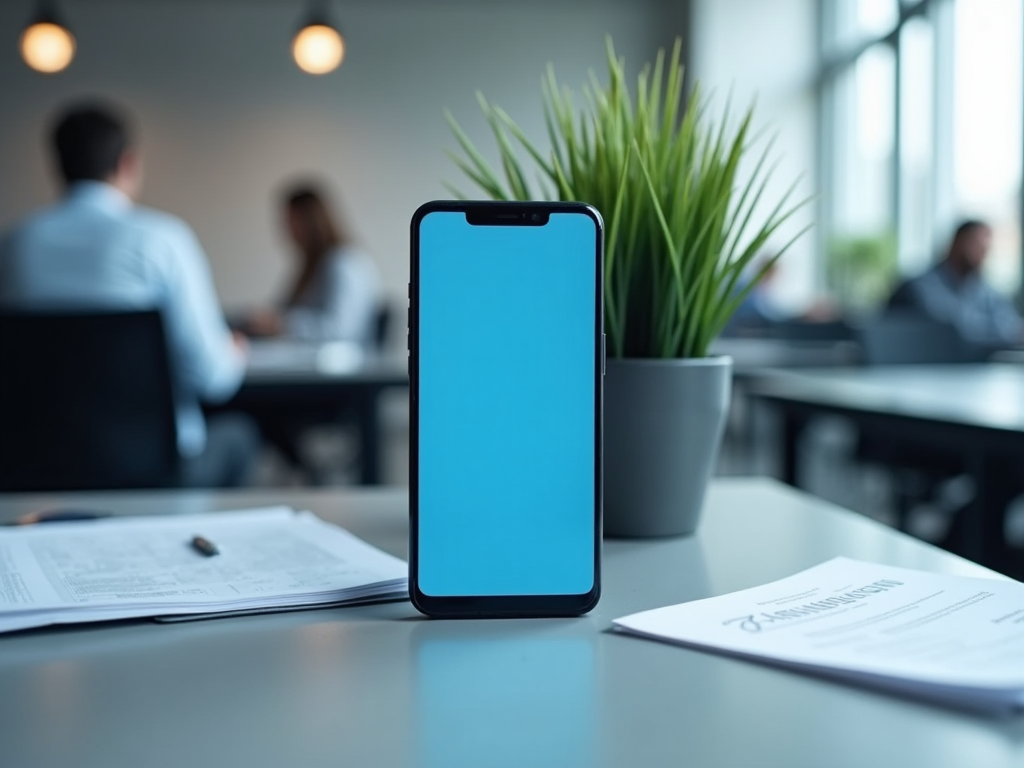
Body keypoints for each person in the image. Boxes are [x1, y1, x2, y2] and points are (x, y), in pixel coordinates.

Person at [0, 101, 258, 488]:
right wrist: (235, 351)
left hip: (34, 468)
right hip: (153, 472)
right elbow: (211, 378)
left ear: (57, 166)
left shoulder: (14, 245)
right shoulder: (161, 240)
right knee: (240, 437)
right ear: (127, 163)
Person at [245, 184, 382, 347]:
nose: (287, 231)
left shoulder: (344, 263)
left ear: (310, 222)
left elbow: (341, 329)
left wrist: (282, 324)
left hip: (339, 364)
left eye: (291, 222)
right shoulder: (313, 264)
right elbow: (284, 308)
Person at [887, 220, 1023, 348]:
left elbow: (1012, 326)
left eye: (986, 248)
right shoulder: (919, 288)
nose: (983, 253)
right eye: (977, 245)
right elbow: (956, 331)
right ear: (956, 243)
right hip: (928, 367)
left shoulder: (985, 291)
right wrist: (1001, 332)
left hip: (976, 368)